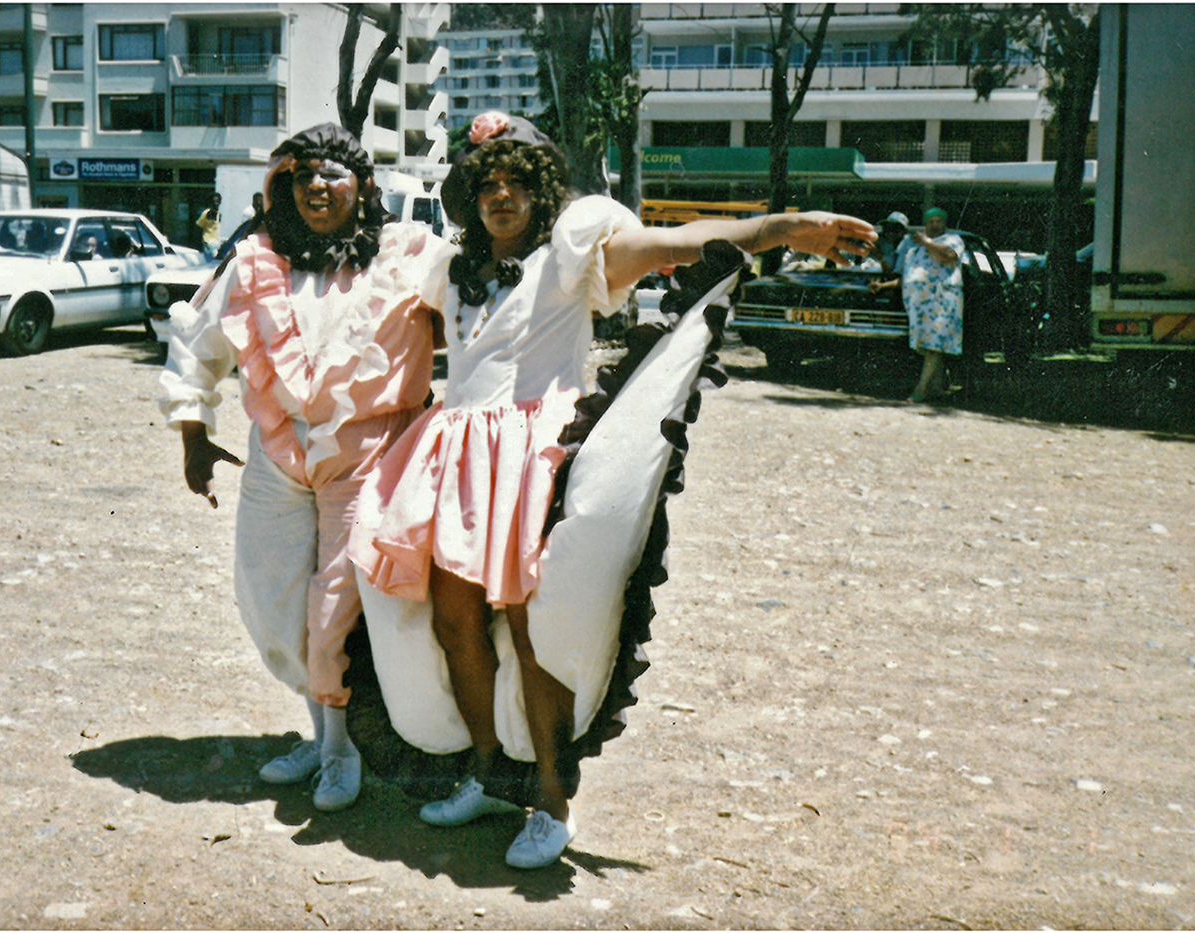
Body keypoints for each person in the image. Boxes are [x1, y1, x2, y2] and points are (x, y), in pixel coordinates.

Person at [348, 111, 876, 868]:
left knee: (534, 629)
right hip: (455, 458)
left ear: (542, 191)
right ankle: (489, 770)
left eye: (516, 180)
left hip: (533, 459)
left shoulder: (569, 259)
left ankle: (552, 800)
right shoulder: (449, 271)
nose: (499, 194)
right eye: (484, 181)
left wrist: (787, 225)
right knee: (455, 620)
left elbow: (679, 242)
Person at [158, 124, 452, 812]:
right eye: (304, 175)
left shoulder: (412, 253)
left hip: (371, 453)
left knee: (335, 609)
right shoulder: (257, 259)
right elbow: (196, 344)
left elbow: (480, 317)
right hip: (278, 452)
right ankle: (320, 733)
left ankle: (343, 752)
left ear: (365, 185)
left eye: (334, 174)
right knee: (273, 597)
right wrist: (193, 437)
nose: (317, 187)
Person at [870, 206, 963, 401]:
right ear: (925, 224)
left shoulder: (952, 240)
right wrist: (882, 285)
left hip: (943, 302)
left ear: (945, 224)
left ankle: (920, 390)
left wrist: (926, 242)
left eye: (939, 221)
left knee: (934, 345)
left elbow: (947, 256)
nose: (935, 225)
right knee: (928, 346)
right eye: (931, 222)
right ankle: (936, 388)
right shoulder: (914, 250)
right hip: (920, 306)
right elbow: (905, 277)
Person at [196, 192, 223, 260]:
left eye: (217, 201)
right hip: (207, 244)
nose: (215, 203)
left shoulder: (219, 214)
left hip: (217, 244)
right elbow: (198, 227)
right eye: (213, 201)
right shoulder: (206, 213)